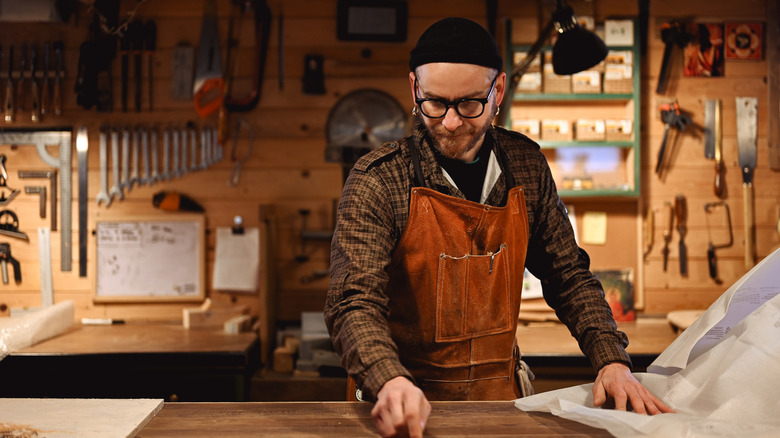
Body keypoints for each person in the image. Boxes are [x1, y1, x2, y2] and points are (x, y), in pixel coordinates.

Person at [325, 17, 673, 438]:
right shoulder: (378, 180)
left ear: (499, 91)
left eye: (470, 104)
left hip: (498, 403)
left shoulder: (525, 164)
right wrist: (389, 379)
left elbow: (568, 275)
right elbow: (352, 301)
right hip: (399, 406)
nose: (451, 122)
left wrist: (611, 361)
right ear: (415, 89)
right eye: (435, 103)